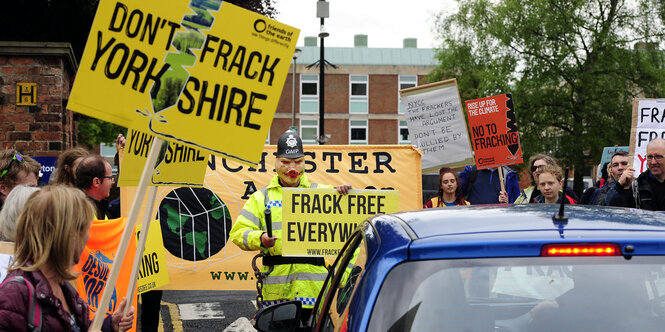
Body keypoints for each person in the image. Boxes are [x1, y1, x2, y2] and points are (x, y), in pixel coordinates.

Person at [229, 130, 351, 323]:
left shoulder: (323, 194)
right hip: (278, 296)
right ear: (276, 162)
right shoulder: (261, 198)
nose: (292, 168)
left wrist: (344, 194)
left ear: (305, 163)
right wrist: (260, 239)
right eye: (285, 162)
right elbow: (238, 233)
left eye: (297, 161)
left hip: (316, 294)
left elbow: (351, 232)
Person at [0, 185, 134, 331]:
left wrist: (108, 326)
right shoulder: (15, 295)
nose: (88, 236)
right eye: (84, 228)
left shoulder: (62, 285)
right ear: (66, 234)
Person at [606, 138, 665, 210]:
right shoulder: (637, 186)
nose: (653, 162)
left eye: (658, 157)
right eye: (649, 157)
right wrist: (620, 186)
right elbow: (611, 207)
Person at [76, 155, 115, 220]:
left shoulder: (100, 207)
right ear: (96, 182)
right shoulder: (80, 213)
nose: (112, 182)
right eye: (110, 178)